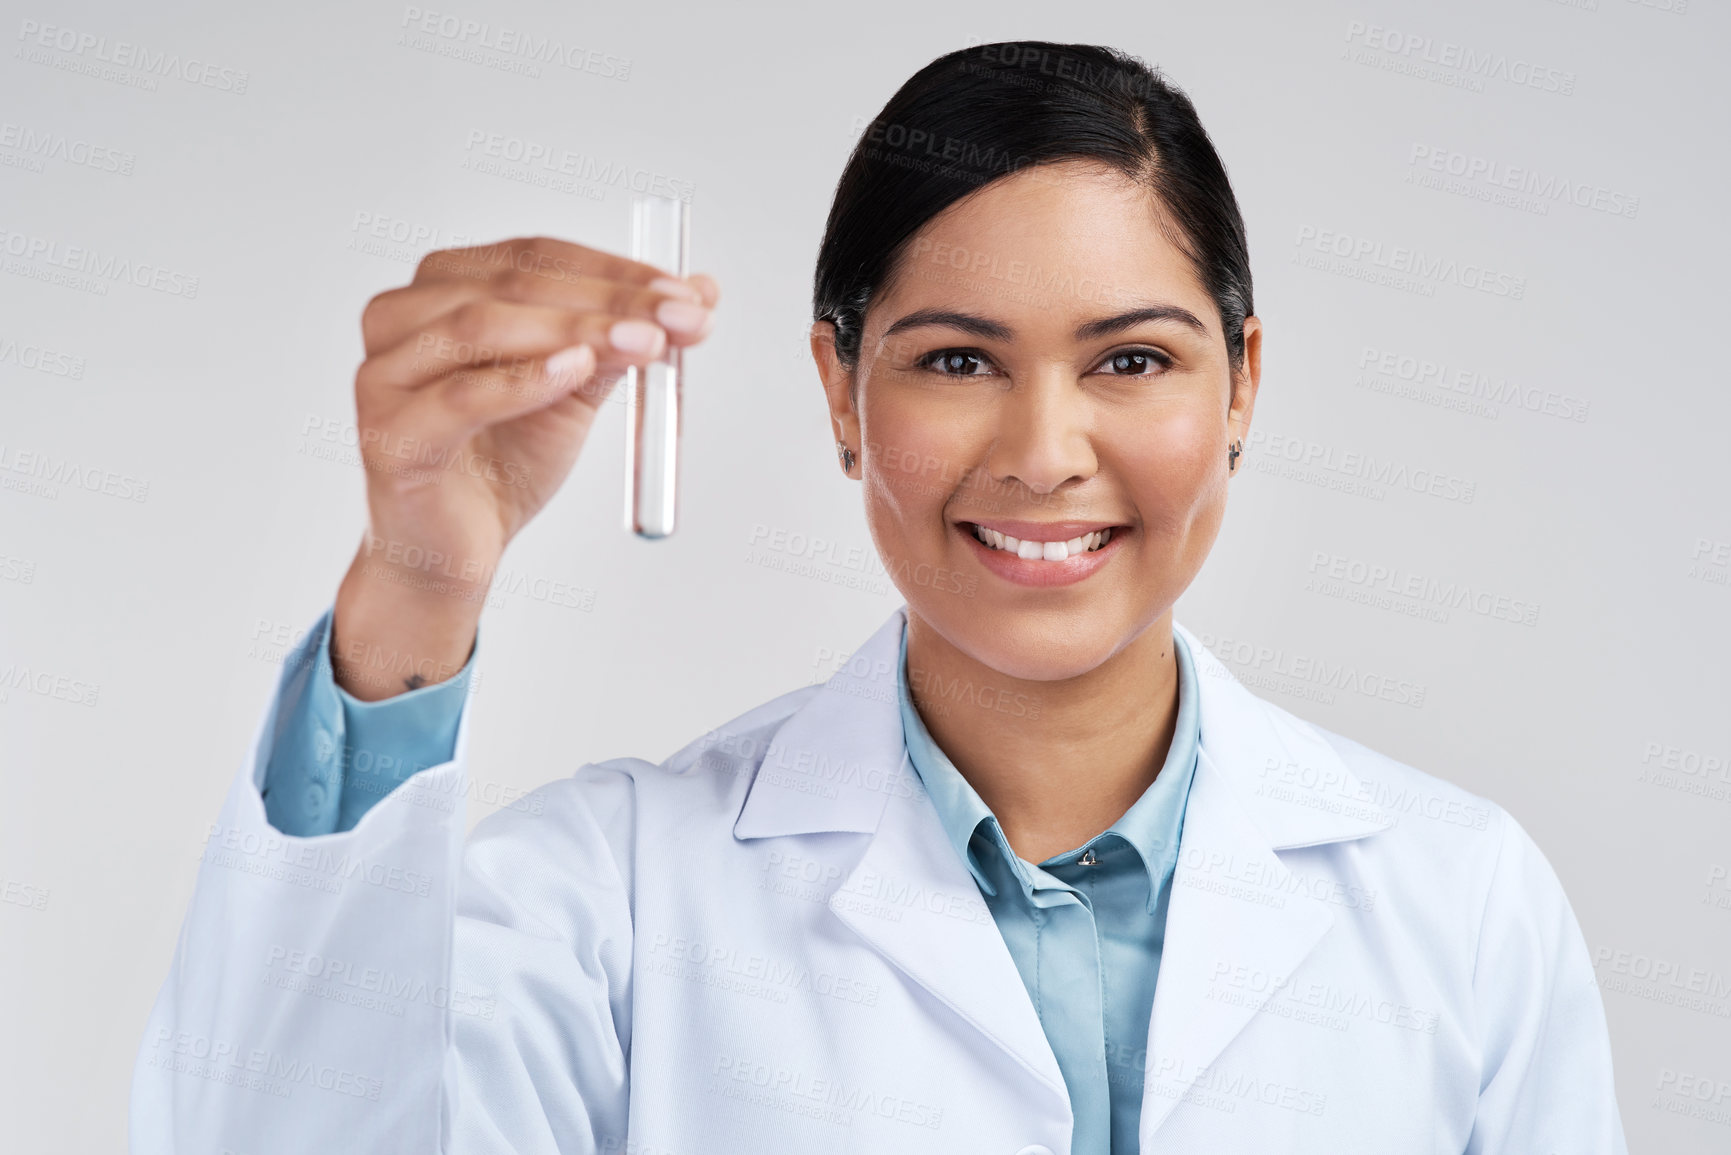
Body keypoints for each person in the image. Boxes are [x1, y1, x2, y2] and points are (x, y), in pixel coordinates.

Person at [130, 41, 1628, 1154]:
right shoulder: (613, 900)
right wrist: (417, 584)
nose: (1045, 456)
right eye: (957, 360)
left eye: (1132, 360)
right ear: (841, 387)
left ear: (1243, 382)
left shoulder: (1461, 906)